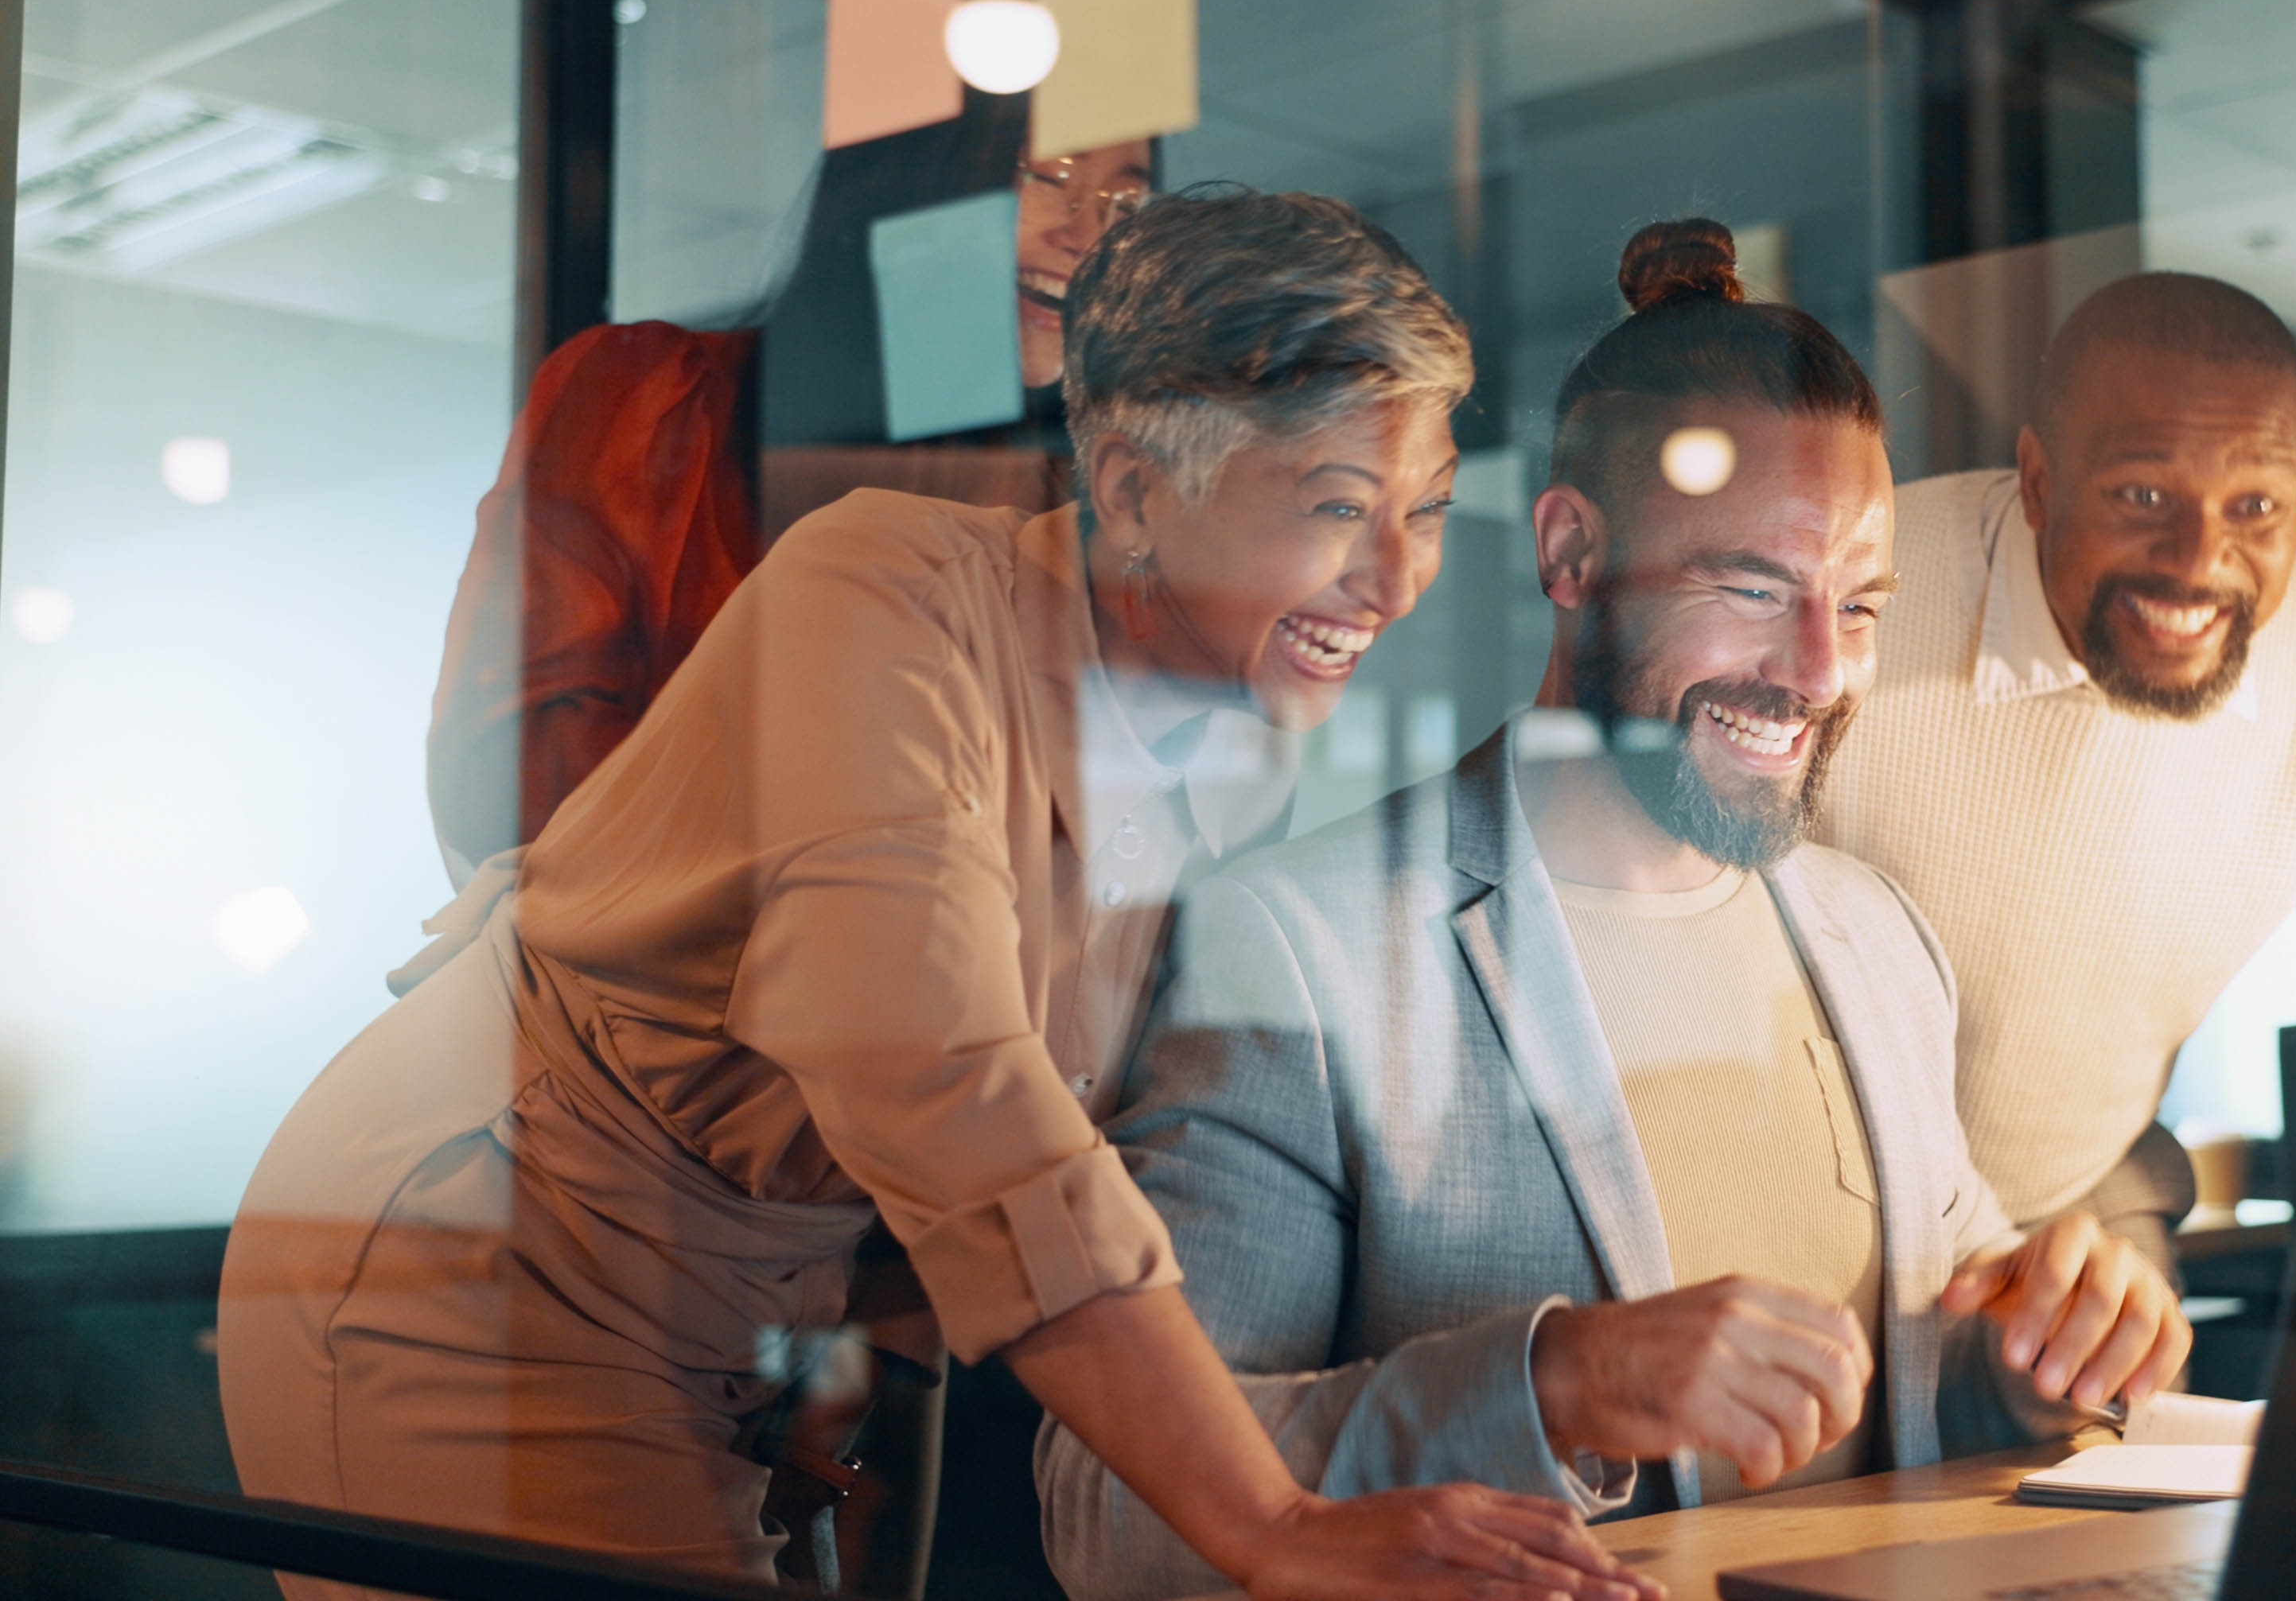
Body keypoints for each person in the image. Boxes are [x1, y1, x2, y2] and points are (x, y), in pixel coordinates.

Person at [216, 189, 1646, 1601]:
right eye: (1338, 505)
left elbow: (1010, 1138)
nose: (1393, 579)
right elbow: (947, 1089)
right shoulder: (878, 597)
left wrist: (852, 1386)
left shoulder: (1237, 749)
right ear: (1138, 492)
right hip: (488, 1258)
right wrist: (1269, 1521)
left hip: (753, 1325)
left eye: (1428, 511)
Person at [1035, 220, 2190, 1601]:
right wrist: (1555, 1382)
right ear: (1572, 552)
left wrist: (2045, 1350)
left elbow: (1913, 1403)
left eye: (1862, 602)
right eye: (1751, 587)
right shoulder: (1300, 942)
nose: (1819, 670)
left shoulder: (1876, 934)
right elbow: (1109, 1511)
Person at [1812, 272, 2296, 1263]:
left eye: (2257, 506)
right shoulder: (1850, 602)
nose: (2198, 560)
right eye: (2144, 496)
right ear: (2039, 482)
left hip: (2063, 1217)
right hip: (1785, 1202)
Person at [428, 50, 1154, 883]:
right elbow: (513, 763)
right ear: (915, 179)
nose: (1089, 233)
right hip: (674, 986)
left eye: (1125, 201)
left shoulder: (1074, 510)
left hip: (933, 998)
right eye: (1046, 173)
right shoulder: (653, 400)